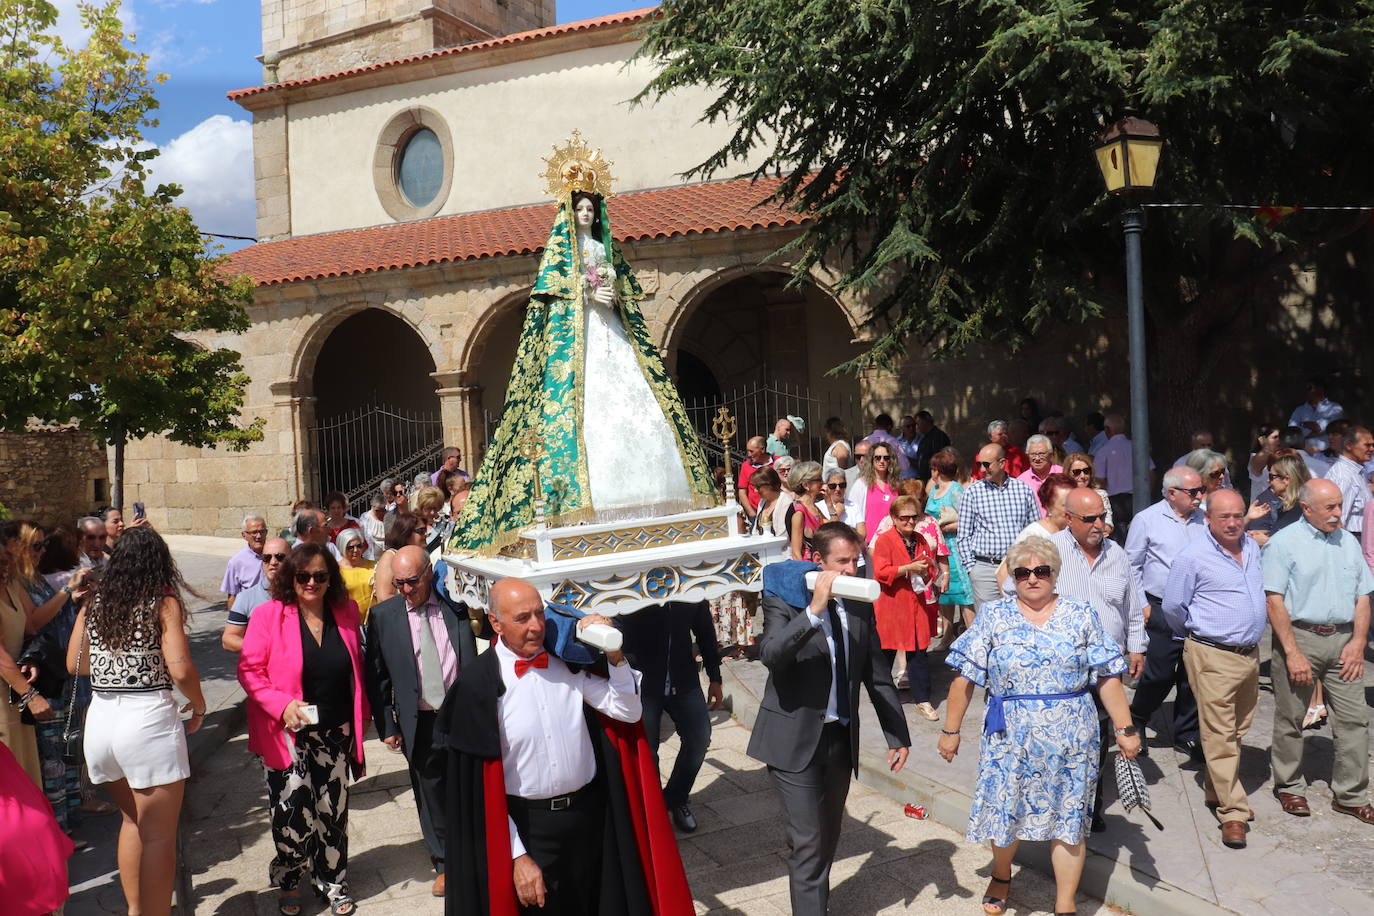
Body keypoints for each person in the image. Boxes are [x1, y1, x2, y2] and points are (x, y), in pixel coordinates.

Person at [435, 577, 691, 915]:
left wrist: (613, 653)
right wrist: (517, 856)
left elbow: (627, 712)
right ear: (495, 622)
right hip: (529, 830)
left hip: (591, 819)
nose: (536, 626)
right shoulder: (477, 685)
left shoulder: (568, 660)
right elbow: (476, 792)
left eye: (539, 614)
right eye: (522, 618)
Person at [938, 535, 1139, 916]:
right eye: (1023, 572)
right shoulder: (994, 616)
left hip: (1072, 736)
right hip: (1009, 736)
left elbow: (1108, 677)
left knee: (1070, 817)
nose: (1032, 578)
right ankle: (1001, 874)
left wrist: (1126, 728)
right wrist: (950, 731)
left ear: (1055, 573)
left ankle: (1065, 902)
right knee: (1005, 808)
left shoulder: (1081, 614)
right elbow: (964, 678)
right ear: (1012, 577)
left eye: (1041, 570)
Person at [749, 523, 910, 915]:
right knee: (807, 841)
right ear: (817, 562)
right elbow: (771, 654)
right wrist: (812, 612)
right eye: (842, 561)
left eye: (856, 560)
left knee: (827, 836)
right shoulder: (783, 600)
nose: (852, 569)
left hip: (838, 738)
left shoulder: (857, 602)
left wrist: (897, 734)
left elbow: (875, 674)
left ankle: (813, 903)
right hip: (792, 738)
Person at [66, 526, 206, 916]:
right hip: (146, 720)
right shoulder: (162, 602)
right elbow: (179, 669)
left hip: (102, 720)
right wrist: (198, 705)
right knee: (160, 835)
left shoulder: (95, 603)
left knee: (131, 821)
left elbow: (75, 663)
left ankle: (134, 910)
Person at [238, 542, 369, 916]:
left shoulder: (346, 611)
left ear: (330, 579)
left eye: (320, 576)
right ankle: (290, 875)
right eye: (303, 576)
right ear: (290, 578)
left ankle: (333, 881)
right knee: (294, 811)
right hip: (289, 731)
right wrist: (282, 705)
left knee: (332, 812)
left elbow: (357, 669)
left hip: (334, 729)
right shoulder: (268, 616)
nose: (311, 582)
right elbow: (249, 671)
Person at [365, 546, 477, 897]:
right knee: (430, 794)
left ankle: (474, 852)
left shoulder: (457, 609)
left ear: (429, 572)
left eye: (412, 581)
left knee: (467, 786)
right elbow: (377, 677)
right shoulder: (384, 617)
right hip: (420, 721)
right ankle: (444, 861)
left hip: (460, 716)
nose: (406, 590)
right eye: (399, 583)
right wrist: (388, 726)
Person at [1264, 479, 1374, 826]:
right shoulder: (1284, 543)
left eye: (1340, 505)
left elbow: (1363, 596)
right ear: (1306, 508)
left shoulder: (1348, 543)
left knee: (1355, 719)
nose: (1338, 514)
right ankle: (1289, 785)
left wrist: (1358, 643)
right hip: (1300, 637)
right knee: (1291, 716)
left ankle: (1351, 795)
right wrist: (1292, 652)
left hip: (1343, 640)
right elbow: (1274, 600)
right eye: (1330, 507)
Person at [1161, 488, 1266, 848]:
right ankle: (1232, 812)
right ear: (1208, 518)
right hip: (1212, 653)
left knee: (1238, 727)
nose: (1234, 522)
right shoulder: (1192, 557)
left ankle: (1214, 786)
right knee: (1220, 734)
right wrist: (1197, 639)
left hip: (1248, 654)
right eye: (1225, 516)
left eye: (1238, 515)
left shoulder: (1251, 547)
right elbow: (1174, 607)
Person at [1050, 488, 1146, 831]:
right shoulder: (1051, 551)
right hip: (1063, 668)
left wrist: (1137, 646)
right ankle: (1059, 804)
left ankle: (1092, 806)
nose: (1098, 525)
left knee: (1100, 738)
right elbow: (1019, 595)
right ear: (1069, 519)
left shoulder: (1116, 553)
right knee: (1064, 739)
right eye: (1089, 519)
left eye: (1102, 517)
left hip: (1107, 668)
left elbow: (1132, 606)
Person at [617, 600, 724, 832]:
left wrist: (715, 677)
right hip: (643, 682)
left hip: (683, 678)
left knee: (699, 738)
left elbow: (704, 629)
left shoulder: (688, 584)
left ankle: (676, 798)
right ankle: (653, 811)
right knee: (647, 750)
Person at [1125, 467, 1206, 760]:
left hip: (1198, 607)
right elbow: (1131, 565)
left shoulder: (1204, 518)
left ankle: (1186, 733)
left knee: (1191, 673)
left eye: (1201, 490)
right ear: (1172, 494)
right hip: (1159, 607)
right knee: (1158, 672)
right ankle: (1138, 717)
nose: (1200, 496)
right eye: (1193, 491)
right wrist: (1142, 605)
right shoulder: (1147, 520)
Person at [872, 496, 941, 721]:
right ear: (894, 518)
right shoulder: (885, 540)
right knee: (887, 652)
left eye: (914, 517)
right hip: (893, 605)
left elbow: (930, 568)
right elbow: (881, 572)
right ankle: (881, 697)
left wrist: (925, 572)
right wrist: (907, 568)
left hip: (916, 603)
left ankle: (923, 700)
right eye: (905, 518)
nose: (910, 522)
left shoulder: (920, 539)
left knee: (919, 653)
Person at [957, 445, 1040, 617]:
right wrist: (972, 568)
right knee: (990, 621)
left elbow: (1034, 530)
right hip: (985, 568)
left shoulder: (1023, 490)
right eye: (980, 464)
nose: (981, 469)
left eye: (986, 464)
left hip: (1018, 567)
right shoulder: (972, 492)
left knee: (1020, 618)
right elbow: (963, 535)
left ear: (1002, 463)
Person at [993, 472, 1077, 593]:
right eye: (1066, 505)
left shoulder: (1073, 531)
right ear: (1048, 506)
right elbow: (1003, 574)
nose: (1072, 509)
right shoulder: (1033, 535)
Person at [926, 447, 974, 636]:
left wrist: (947, 527)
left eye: (933, 468)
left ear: (937, 470)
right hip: (938, 549)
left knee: (963, 592)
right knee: (944, 593)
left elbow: (970, 519)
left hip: (955, 548)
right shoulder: (934, 491)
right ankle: (947, 635)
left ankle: (971, 636)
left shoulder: (955, 490)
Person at [222, 537, 289, 653]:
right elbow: (228, 640)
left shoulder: (303, 594)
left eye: (280, 557)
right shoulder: (245, 597)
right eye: (267, 558)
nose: (273, 562)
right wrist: (265, 649)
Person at [1094, 413, 1145, 534]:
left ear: (1107, 429)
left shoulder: (1102, 451)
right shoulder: (1137, 448)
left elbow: (1099, 480)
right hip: (1137, 497)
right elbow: (1151, 474)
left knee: (1120, 536)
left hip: (1115, 501)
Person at [1245, 453, 1310, 543]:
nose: (1268, 481)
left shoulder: (1304, 507)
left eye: (1271, 476)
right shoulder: (1280, 503)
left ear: (1286, 479)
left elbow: (1303, 544)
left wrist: (1268, 541)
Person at [845, 439, 900, 542]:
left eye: (886, 458)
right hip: (869, 542)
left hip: (893, 540)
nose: (882, 461)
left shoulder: (896, 485)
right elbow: (852, 513)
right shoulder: (861, 484)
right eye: (878, 458)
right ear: (871, 459)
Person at [1322, 425, 1373, 536]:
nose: (1372, 449)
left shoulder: (1355, 471)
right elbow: (1335, 517)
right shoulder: (1343, 475)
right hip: (1352, 538)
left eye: (1372, 445)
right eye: (1367, 445)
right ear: (1349, 446)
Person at [372, 512, 424, 604]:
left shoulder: (419, 556)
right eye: (421, 531)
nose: (425, 534)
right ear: (407, 533)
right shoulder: (390, 557)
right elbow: (384, 597)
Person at [223, 515, 267, 614]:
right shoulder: (236, 562)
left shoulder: (277, 555)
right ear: (244, 535)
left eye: (262, 531)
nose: (259, 536)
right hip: (251, 616)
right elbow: (232, 596)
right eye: (254, 532)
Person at [1063, 452, 1114, 533]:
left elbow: (1108, 524)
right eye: (1076, 472)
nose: (1083, 476)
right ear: (1067, 473)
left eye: (1086, 471)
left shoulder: (1100, 495)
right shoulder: (1062, 497)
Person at [1289, 376, 1343, 453]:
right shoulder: (1299, 410)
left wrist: (1302, 425)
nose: (1305, 391)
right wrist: (1312, 427)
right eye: (1304, 388)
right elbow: (1292, 432)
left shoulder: (1335, 408)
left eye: (1309, 387)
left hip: (1327, 455)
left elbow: (1321, 427)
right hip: (1304, 455)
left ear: (1320, 388)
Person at [786, 461, 826, 561]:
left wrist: (829, 504)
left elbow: (833, 528)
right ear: (806, 485)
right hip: (809, 568)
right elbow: (796, 552)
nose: (822, 483)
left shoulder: (814, 508)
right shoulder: (799, 512)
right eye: (819, 479)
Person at [335, 529, 377, 624]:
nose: (355, 550)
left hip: (374, 621)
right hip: (348, 622)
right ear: (341, 547)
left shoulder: (375, 566)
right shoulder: (336, 570)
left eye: (359, 546)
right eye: (350, 547)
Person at [737, 436, 775, 527]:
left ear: (762, 449)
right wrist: (751, 513)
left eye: (751, 451)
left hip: (776, 509)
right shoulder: (746, 466)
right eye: (748, 451)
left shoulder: (778, 462)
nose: (749, 455)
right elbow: (742, 491)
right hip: (756, 511)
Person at [1016, 434, 1063, 507]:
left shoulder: (1063, 474)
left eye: (1042, 454)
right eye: (1033, 454)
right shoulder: (1021, 482)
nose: (1037, 458)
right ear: (1027, 455)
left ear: (1050, 454)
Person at [863, 413, 913, 477]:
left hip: (868, 479)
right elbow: (905, 466)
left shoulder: (865, 441)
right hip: (887, 480)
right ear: (889, 427)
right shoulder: (893, 441)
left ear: (876, 426)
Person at [910, 409, 951, 481]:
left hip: (935, 479)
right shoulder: (925, 437)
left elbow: (940, 460)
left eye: (918, 424)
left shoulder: (938, 437)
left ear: (925, 422)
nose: (917, 427)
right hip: (926, 478)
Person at [1246, 424, 1281, 499]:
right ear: (1263, 439)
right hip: (1262, 507)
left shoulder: (1282, 456)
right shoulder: (1255, 457)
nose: (1279, 440)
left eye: (1280, 437)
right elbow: (1257, 468)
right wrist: (1266, 448)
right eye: (1275, 437)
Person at [747, 466, 783, 537]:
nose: (755, 490)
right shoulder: (763, 501)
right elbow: (756, 531)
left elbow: (783, 535)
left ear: (769, 484)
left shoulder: (785, 501)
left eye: (758, 487)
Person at [359, 494, 387, 558]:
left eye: (382, 510)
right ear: (372, 506)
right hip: (372, 551)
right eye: (377, 510)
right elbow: (362, 535)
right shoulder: (365, 517)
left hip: (386, 549)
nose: (380, 513)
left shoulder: (389, 516)